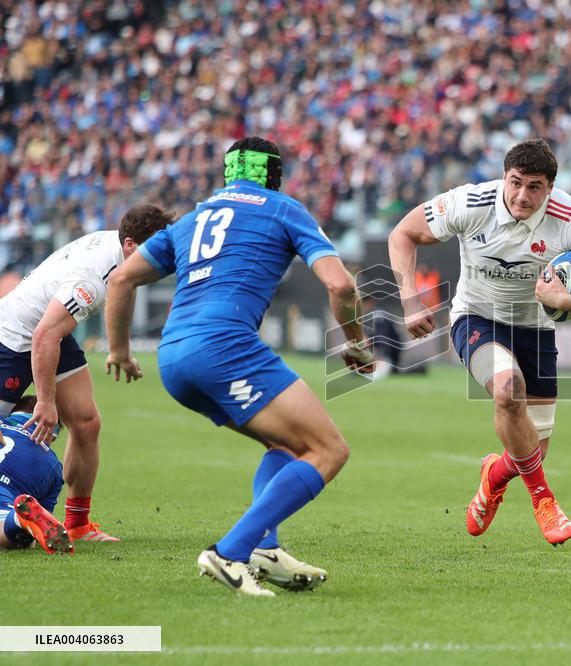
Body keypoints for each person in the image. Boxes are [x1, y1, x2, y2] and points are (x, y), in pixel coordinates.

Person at [105, 137, 374, 596]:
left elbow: (121, 279)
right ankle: (229, 551)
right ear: (274, 174)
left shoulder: (191, 220)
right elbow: (341, 285)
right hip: (224, 347)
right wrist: (356, 342)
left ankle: (264, 550)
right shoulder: (283, 209)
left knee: (285, 444)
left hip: (174, 357)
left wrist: (118, 350)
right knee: (328, 450)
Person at [388, 138, 571, 546]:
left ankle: (494, 475)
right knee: (507, 390)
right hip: (476, 318)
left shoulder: (570, 216)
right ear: (504, 177)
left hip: (536, 329)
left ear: (550, 188)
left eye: (534, 187)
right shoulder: (471, 203)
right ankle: (545, 501)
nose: (522, 195)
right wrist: (410, 300)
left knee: (530, 450)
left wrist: (565, 301)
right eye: (516, 182)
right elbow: (403, 233)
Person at [0, 203, 173, 543]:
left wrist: (120, 352)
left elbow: (123, 288)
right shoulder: (91, 280)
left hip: (49, 330)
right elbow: (44, 335)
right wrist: (46, 402)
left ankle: (77, 524)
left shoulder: (123, 255)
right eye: (159, 248)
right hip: (13, 337)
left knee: (86, 422)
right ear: (131, 245)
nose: (165, 257)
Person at [0, 401, 71, 555]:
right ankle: (18, 520)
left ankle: (17, 521)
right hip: (7, 492)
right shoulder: (53, 465)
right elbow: (45, 518)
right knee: (27, 537)